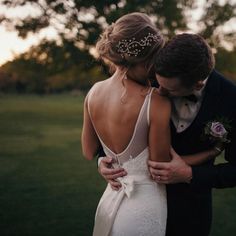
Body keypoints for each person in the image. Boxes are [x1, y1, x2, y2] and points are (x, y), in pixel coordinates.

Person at [99, 33, 236, 236]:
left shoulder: (230, 99)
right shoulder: (147, 80)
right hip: (139, 204)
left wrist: (190, 174)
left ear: (198, 84)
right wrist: (105, 161)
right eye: (157, 83)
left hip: (191, 213)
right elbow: (116, 126)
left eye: (169, 90)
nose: (159, 92)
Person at [82, 12, 171, 236]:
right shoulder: (155, 100)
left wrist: (105, 162)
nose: (155, 68)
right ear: (141, 60)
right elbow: (160, 164)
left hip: (111, 200)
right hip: (144, 207)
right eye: (153, 61)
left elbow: (89, 150)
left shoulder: (93, 93)